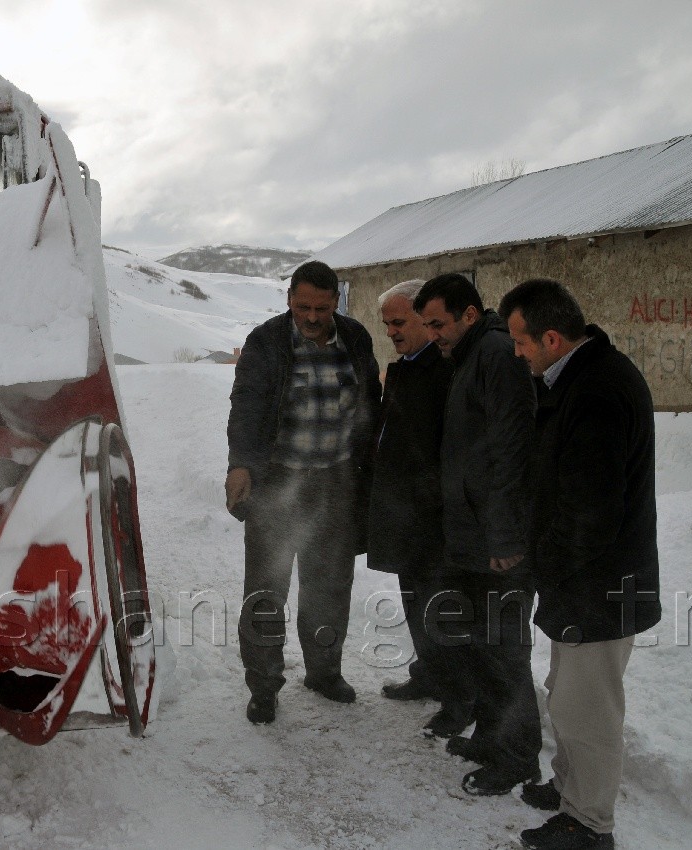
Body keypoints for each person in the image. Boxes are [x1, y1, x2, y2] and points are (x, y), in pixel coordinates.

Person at [500, 279, 661, 850]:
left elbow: (592, 510)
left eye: (520, 343)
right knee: (565, 692)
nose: (516, 354)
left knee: (589, 709)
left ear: (549, 337)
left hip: (600, 582)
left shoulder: (596, 391)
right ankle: (569, 789)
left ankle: (590, 825)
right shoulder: (573, 379)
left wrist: (541, 565)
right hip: (581, 580)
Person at [226, 260, 381, 724]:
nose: (311, 317)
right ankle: (264, 684)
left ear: (336, 301)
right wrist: (240, 466)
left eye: (321, 307)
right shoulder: (267, 342)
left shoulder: (354, 339)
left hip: (335, 485)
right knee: (267, 590)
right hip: (278, 485)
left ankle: (324, 671)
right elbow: (247, 408)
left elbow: (369, 405)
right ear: (289, 298)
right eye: (302, 306)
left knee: (329, 587)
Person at [412, 273, 542, 796]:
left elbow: (513, 447)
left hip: (499, 544)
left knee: (506, 652)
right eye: (428, 325)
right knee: (484, 647)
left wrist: (506, 538)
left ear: (470, 314)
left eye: (438, 323)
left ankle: (517, 758)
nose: (433, 334)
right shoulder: (469, 356)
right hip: (473, 537)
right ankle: (491, 737)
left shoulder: (493, 353)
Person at [366, 279, 461, 718]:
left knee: (440, 608)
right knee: (415, 602)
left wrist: (428, 499)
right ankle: (429, 675)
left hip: (431, 516)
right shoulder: (404, 368)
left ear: (425, 319)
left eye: (400, 322)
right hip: (403, 512)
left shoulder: (445, 373)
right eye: (387, 324)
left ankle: (454, 692)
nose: (392, 331)